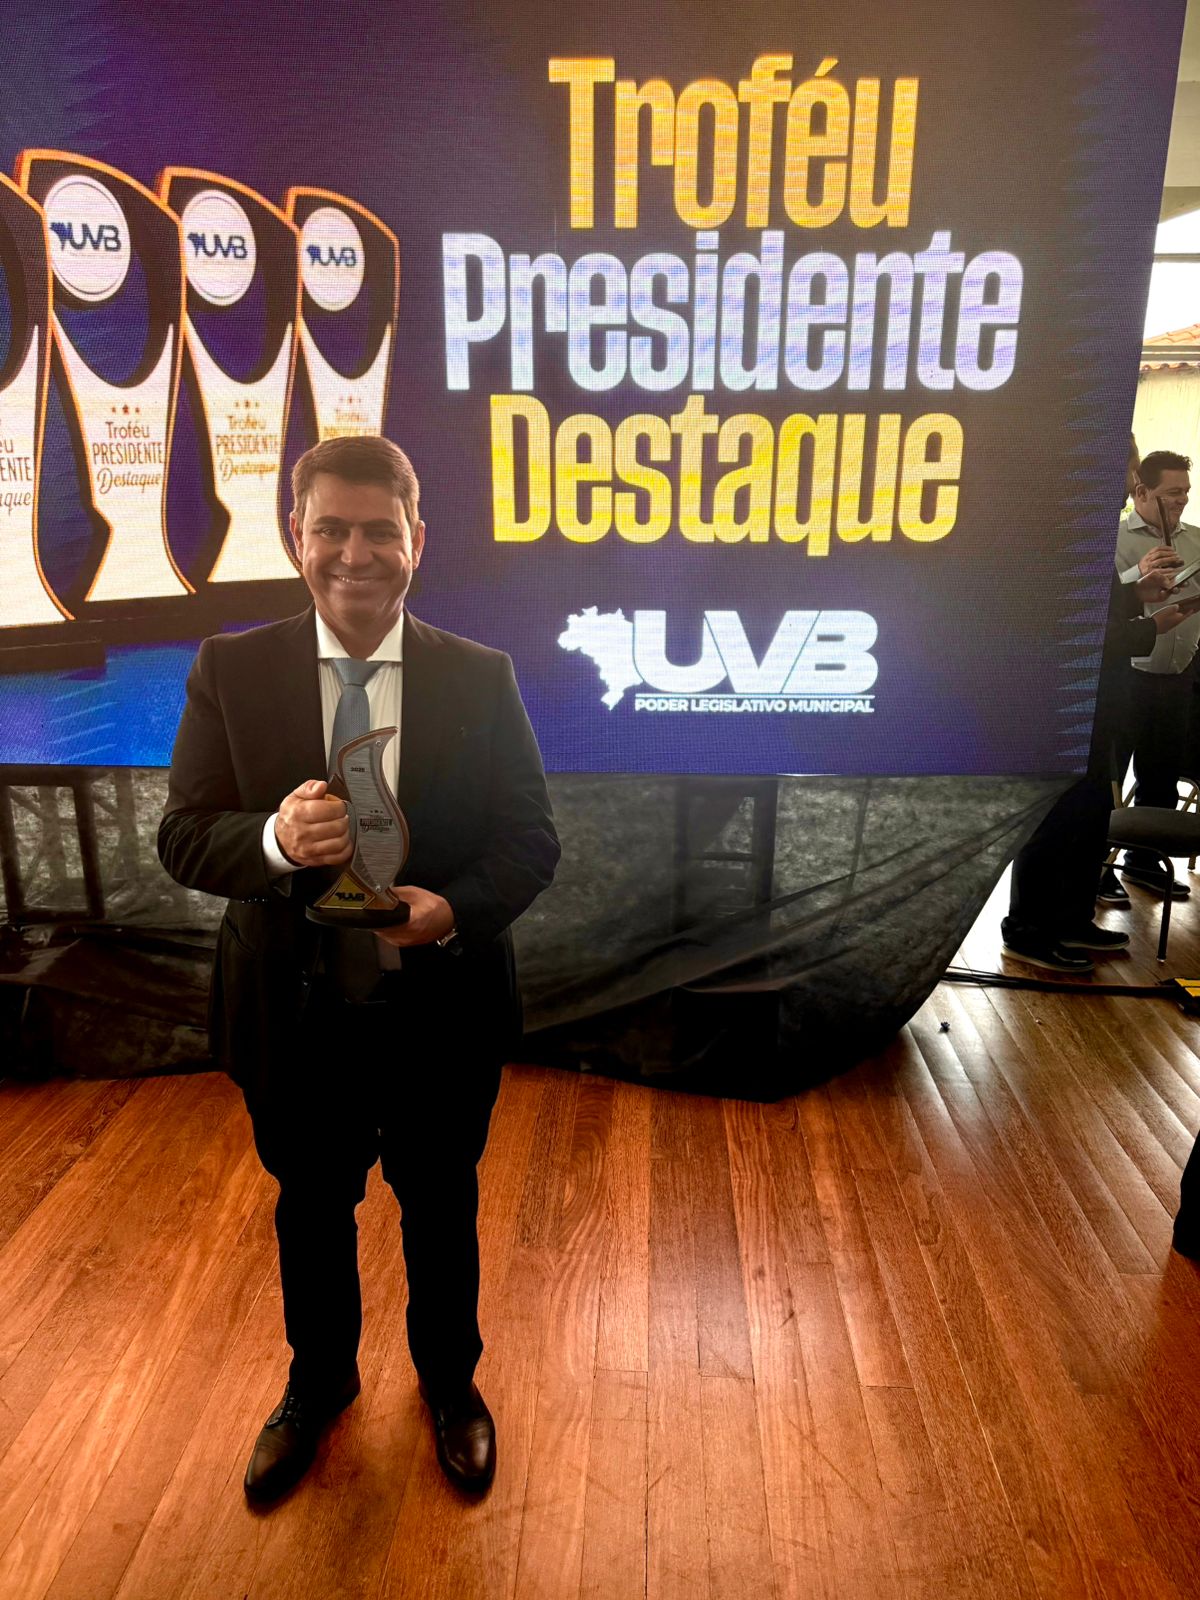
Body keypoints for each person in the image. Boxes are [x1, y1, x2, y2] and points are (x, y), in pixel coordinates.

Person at [158, 435, 560, 1503]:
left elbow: (531, 840)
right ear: (297, 535)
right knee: (310, 1206)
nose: (354, 552)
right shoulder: (229, 669)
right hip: (293, 1016)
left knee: (442, 1204)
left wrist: (451, 911)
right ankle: (319, 1382)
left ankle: (450, 1384)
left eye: (380, 530)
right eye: (330, 528)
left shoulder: (482, 676)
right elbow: (184, 836)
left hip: (442, 1008)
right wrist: (275, 840)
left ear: (417, 540)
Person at [1002, 443, 1199, 971]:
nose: (1132, 484)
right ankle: (1027, 930)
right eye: (1128, 471)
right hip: (1066, 702)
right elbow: (1073, 629)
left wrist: (1138, 594)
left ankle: (1070, 918)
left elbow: (1098, 608)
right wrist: (1150, 627)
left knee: (1089, 814)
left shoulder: (1084, 529)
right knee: (1054, 818)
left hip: (1101, 701)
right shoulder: (1058, 532)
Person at [1112, 450, 1200, 898]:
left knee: (1161, 773)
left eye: (1186, 492)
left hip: (1178, 672)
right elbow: (1108, 600)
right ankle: (1095, 868)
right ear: (1142, 492)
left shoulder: (1197, 539)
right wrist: (1140, 572)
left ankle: (1144, 863)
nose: (1181, 501)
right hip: (1128, 675)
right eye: (1172, 493)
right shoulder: (1113, 538)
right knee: (1109, 775)